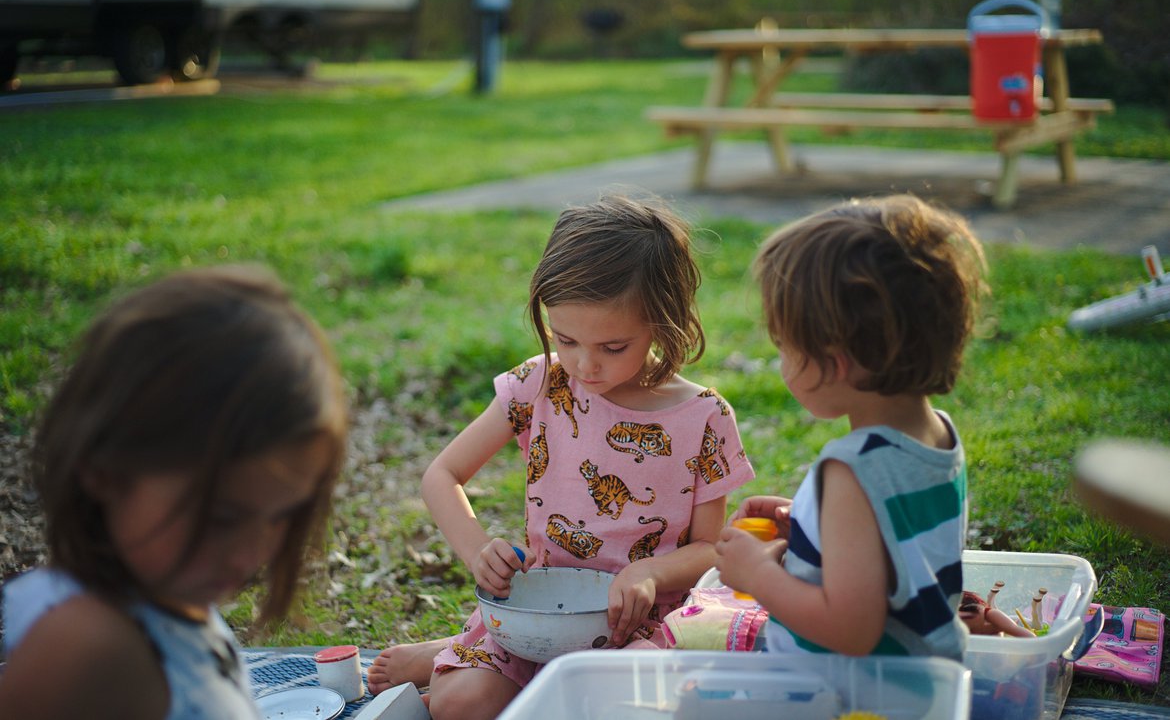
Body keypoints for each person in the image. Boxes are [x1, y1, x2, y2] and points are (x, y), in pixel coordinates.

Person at [368, 194, 754, 719]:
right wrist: (477, 549)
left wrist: (648, 575)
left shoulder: (704, 418)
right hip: (538, 612)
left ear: (665, 322)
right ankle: (459, 659)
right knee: (458, 707)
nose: (584, 365)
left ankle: (446, 653)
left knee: (613, 710)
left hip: (637, 624)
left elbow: (711, 550)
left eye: (613, 346)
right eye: (565, 339)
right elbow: (443, 474)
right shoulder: (540, 383)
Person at [0, 265, 348, 720]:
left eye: (282, 515)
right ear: (105, 470)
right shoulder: (87, 648)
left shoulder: (175, 599)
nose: (251, 554)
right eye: (221, 517)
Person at [714, 194, 986, 660]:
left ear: (835, 363)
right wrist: (809, 529)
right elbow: (891, 547)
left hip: (855, 696)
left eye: (785, 347)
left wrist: (757, 575)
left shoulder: (850, 471)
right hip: (922, 681)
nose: (781, 362)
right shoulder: (936, 435)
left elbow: (851, 630)